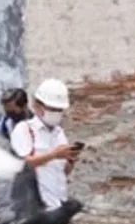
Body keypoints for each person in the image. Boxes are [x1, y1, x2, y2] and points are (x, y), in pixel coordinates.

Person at [9, 78, 81, 210]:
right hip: (34, 210)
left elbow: (61, 172)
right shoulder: (25, 129)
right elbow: (23, 165)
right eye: (52, 109)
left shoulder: (59, 134)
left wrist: (70, 161)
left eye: (60, 110)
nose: (56, 113)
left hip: (58, 207)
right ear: (38, 106)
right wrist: (54, 155)